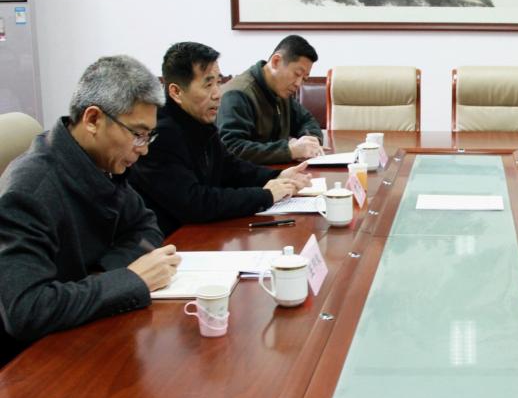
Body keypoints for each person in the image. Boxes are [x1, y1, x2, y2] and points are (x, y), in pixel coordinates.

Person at [0, 56, 180, 365]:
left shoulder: (102, 163)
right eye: (137, 134)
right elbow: (26, 310)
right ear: (93, 119)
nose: (144, 148)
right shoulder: (30, 191)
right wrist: (128, 279)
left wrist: (103, 274)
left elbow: (147, 227)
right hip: (38, 360)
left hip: (86, 326)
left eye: (149, 135)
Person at [129, 42, 314, 236]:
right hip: (170, 240)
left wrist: (277, 176)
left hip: (201, 232)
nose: (218, 94)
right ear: (176, 92)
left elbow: (230, 168)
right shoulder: (159, 134)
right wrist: (265, 195)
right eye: (208, 85)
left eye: (218, 82)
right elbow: (194, 203)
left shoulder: (198, 120)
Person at [217, 34, 324, 164]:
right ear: (276, 61)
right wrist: (290, 151)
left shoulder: (281, 91)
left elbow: (306, 120)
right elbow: (232, 148)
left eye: (304, 78)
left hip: (274, 171)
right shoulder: (237, 94)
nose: (298, 83)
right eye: (297, 74)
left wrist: (310, 141)